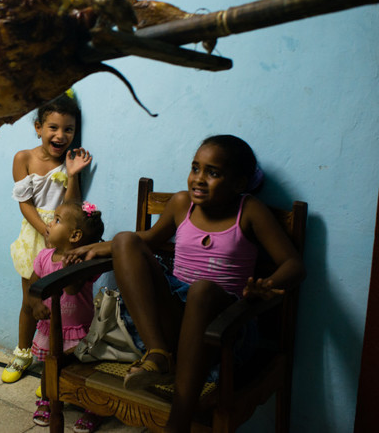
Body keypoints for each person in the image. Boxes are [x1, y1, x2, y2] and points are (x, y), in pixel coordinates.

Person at [67, 135, 306, 433]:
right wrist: (102, 247)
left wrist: (267, 284)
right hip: (176, 323)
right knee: (125, 239)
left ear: (239, 183)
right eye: (196, 168)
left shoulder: (250, 211)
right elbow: (148, 241)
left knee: (202, 290)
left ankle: (178, 422)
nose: (199, 179)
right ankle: (157, 355)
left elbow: (294, 265)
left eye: (213, 173)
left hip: (223, 326)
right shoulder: (182, 204)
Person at [3, 92, 93, 383]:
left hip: (63, 237)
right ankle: (22, 353)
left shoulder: (71, 161)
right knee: (32, 300)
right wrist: (44, 230)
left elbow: (72, 207)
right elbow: (24, 203)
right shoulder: (24, 158)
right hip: (35, 234)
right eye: (53, 127)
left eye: (68, 129)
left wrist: (73, 174)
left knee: (63, 303)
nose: (60, 135)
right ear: (38, 127)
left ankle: (56, 365)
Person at [29, 201, 105, 432]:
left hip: (78, 328)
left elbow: (71, 289)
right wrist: (34, 305)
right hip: (50, 326)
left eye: (57, 220)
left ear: (75, 235)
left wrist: (69, 267)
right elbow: (33, 286)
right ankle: (47, 399)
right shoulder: (44, 257)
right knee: (48, 367)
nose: (50, 223)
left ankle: (92, 408)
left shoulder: (84, 261)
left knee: (84, 370)